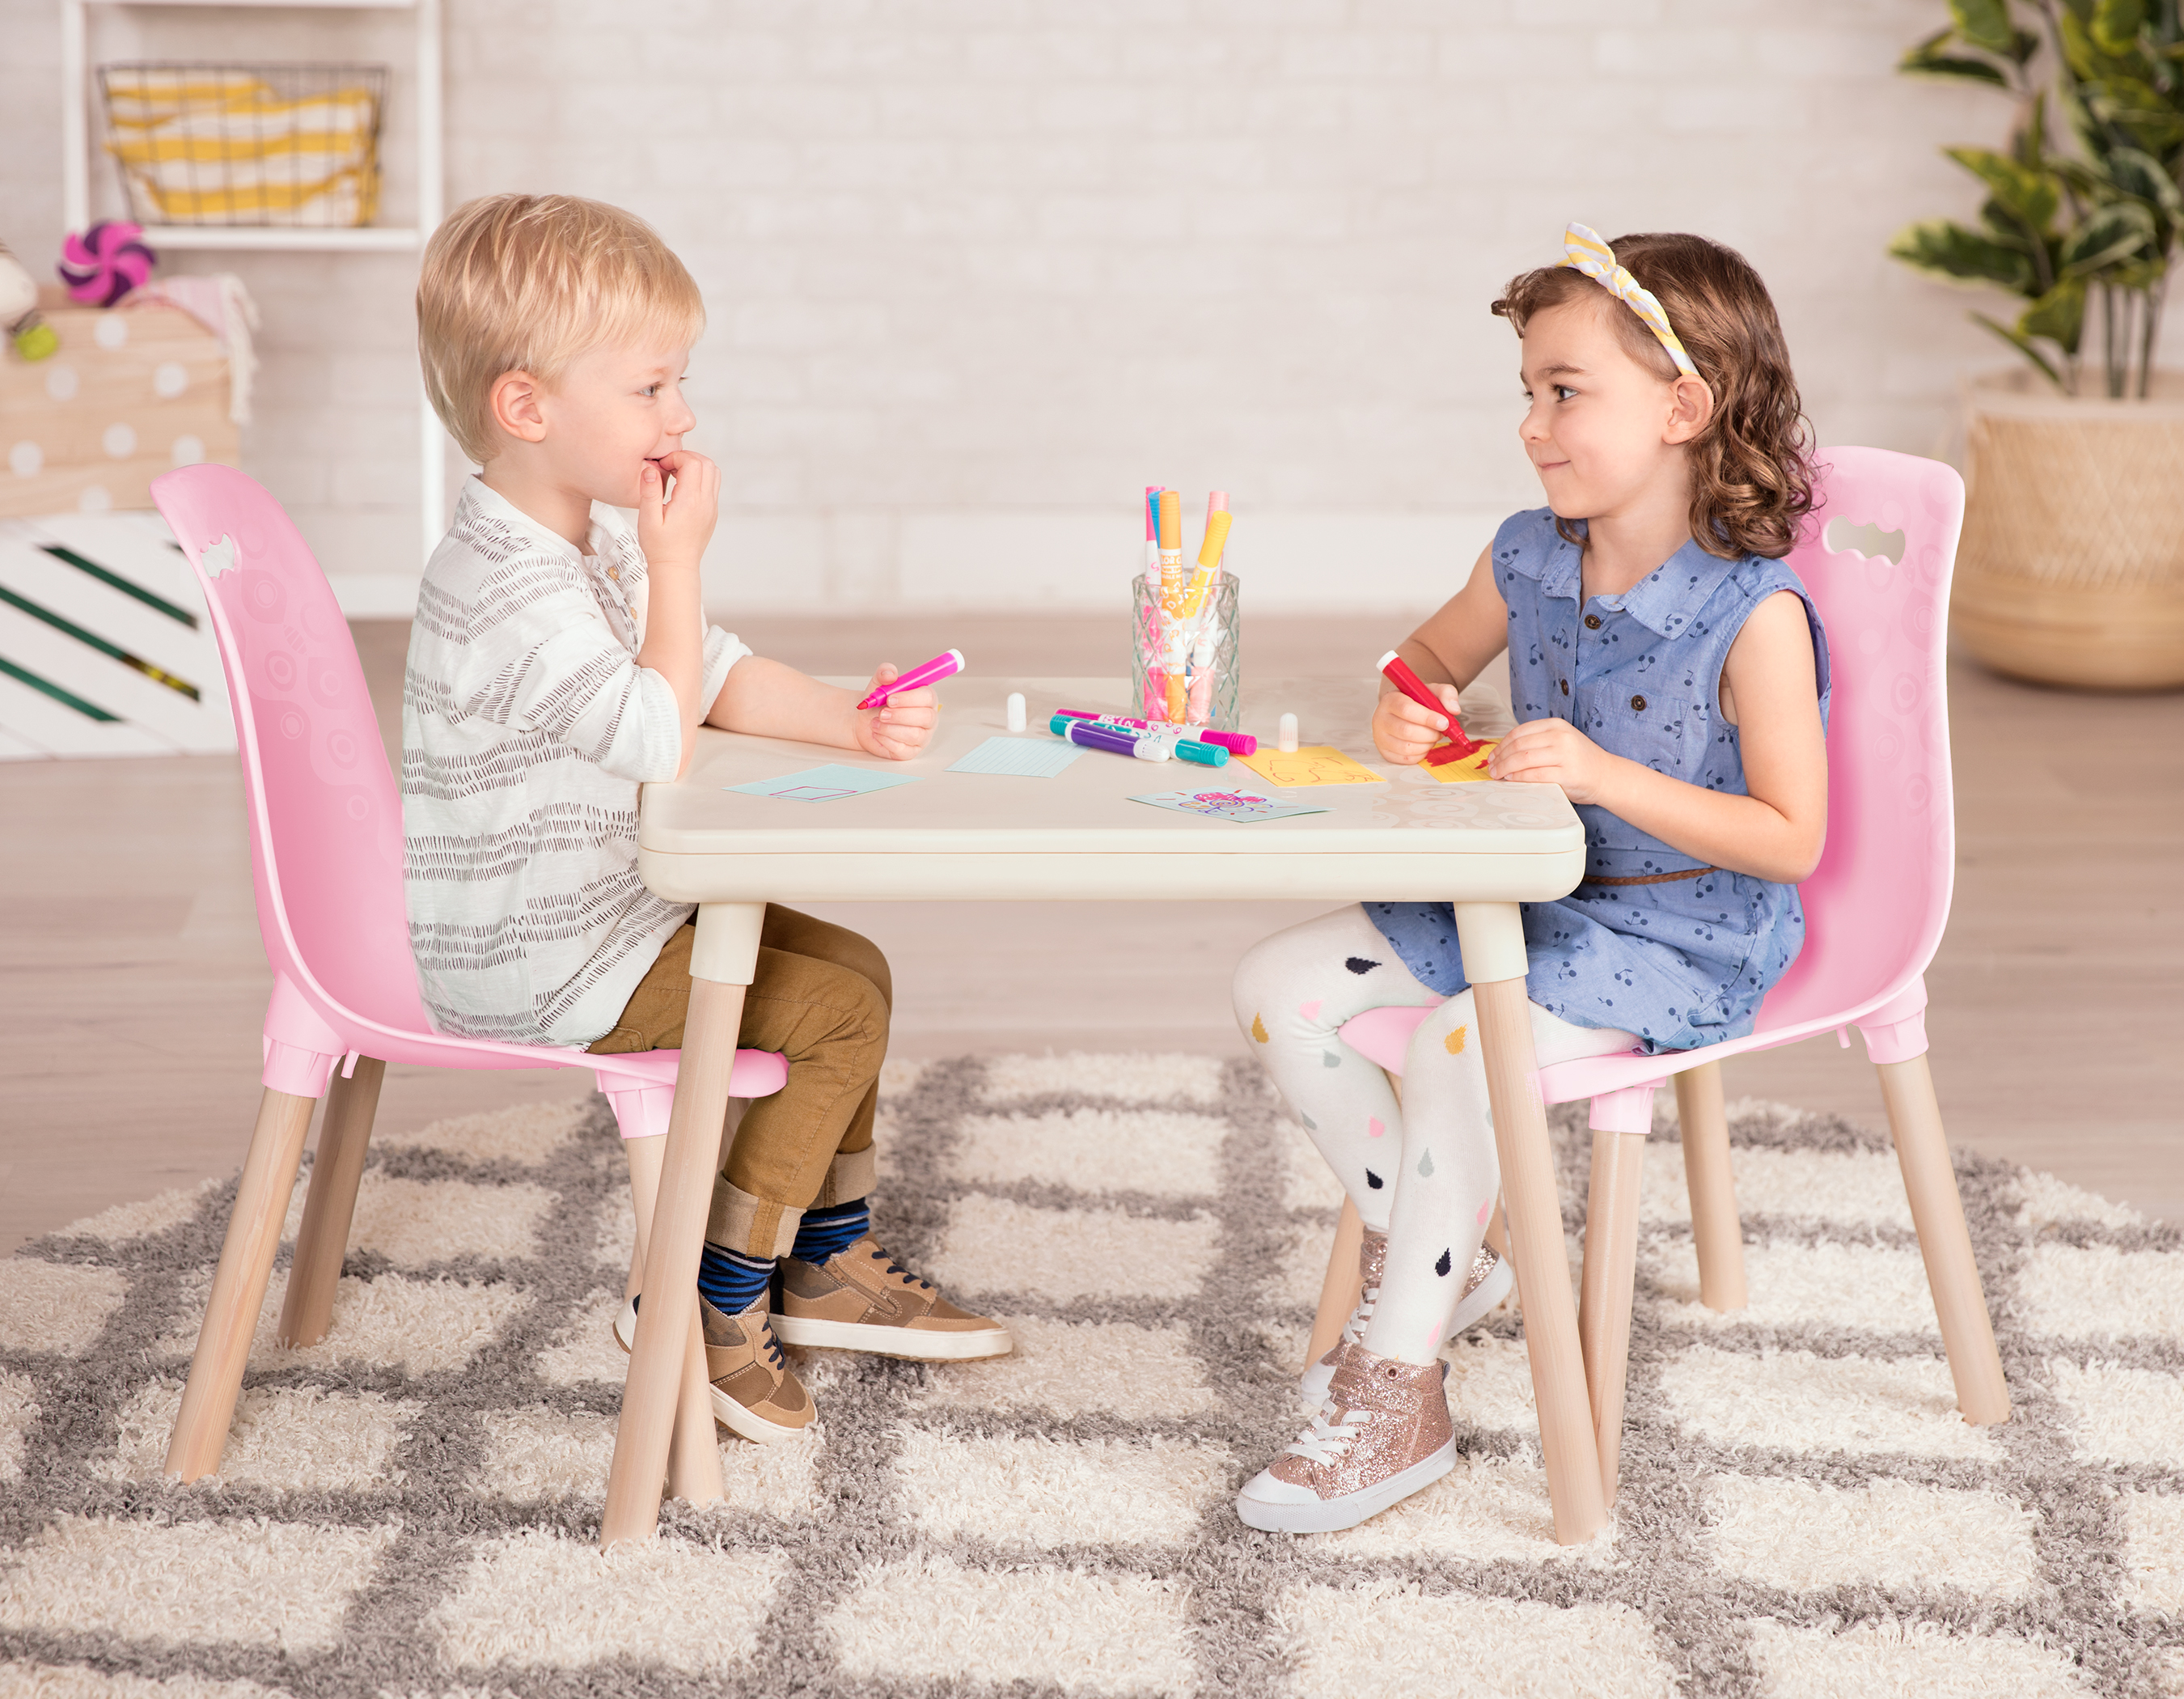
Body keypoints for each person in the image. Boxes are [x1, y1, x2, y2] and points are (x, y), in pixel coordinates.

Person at [1231, 226, 1830, 1532]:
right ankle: (1458, 1264)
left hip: (1682, 930)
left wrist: (1608, 775)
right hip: (1530, 896)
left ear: (1684, 407)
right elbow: (1422, 661)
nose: (1532, 424)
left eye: (1566, 392)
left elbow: (1792, 837)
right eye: (1527, 393)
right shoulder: (1529, 554)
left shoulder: (1755, 615)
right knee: (1276, 982)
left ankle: (1401, 1384)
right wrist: (1412, 705)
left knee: (1463, 1042)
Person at [405, 193, 1009, 1447]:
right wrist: (677, 563)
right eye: (651, 388)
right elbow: (652, 731)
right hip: (543, 961)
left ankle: (826, 1259)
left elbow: (706, 667)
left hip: (611, 911)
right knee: (834, 1014)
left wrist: (846, 721)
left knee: (853, 966)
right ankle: (707, 1299)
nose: (680, 418)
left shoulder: (583, 541)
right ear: (528, 409)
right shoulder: (505, 584)